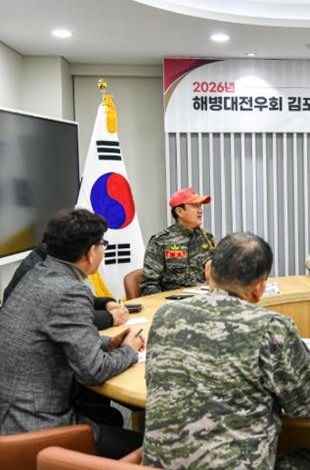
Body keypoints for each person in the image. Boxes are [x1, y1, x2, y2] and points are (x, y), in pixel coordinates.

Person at [143, 232, 310, 470]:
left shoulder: (165, 315)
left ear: (208, 271)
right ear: (260, 289)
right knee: (307, 459)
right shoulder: (271, 326)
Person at [0, 209, 145, 459]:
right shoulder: (68, 291)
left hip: (11, 408)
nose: (103, 250)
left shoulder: (38, 273)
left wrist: (108, 343)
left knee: (109, 417)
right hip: (34, 424)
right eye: (102, 244)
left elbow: (56, 338)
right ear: (90, 253)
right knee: (150, 447)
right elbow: (93, 371)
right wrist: (129, 350)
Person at [2, 241, 129, 329]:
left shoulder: (53, 260)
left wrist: (105, 303)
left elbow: (72, 298)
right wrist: (109, 318)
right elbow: (70, 317)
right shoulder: (37, 271)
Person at [140, 187, 217, 296]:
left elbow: (217, 276)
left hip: (204, 300)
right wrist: (164, 303)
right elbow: (148, 285)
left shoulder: (207, 237)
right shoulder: (161, 241)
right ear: (179, 211)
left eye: (200, 205)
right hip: (174, 301)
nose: (201, 210)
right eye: (195, 206)